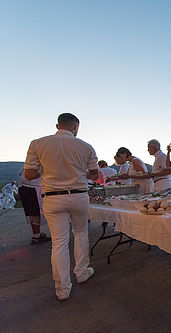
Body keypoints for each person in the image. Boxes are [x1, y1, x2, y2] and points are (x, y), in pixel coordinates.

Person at [24, 113, 99, 301]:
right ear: (75, 127)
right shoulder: (86, 146)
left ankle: (62, 289)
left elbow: (30, 174)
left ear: (58, 126)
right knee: (81, 234)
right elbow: (95, 174)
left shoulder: (37, 144)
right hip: (79, 196)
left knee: (59, 242)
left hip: (53, 197)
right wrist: (78, 171)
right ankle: (82, 272)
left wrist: (50, 170)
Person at [18, 168, 51, 244]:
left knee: (32, 211)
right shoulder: (43, 160)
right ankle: (37, 236)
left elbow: (20, 173)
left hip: (23, 187)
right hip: (33, 188)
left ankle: (37, 234)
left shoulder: (31, 161)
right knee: (36, 212)